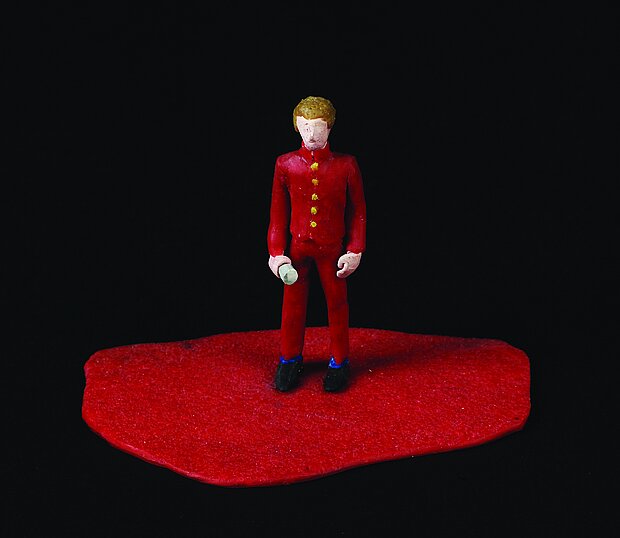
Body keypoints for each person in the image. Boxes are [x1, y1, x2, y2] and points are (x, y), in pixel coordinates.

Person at [267, 96, 367, 392]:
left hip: (332, 249)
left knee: (337, 304)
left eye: (318, 127)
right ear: (297, 128)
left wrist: (355, 249)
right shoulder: (285, 164)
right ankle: (289, 359)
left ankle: (339, 361)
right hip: (298, 248)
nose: (312, 134)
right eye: (305, 127)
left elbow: (358, 211)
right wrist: (276, 253)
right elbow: (277, 213)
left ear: (330, 128)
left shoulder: (346, 165)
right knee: (292, 306)